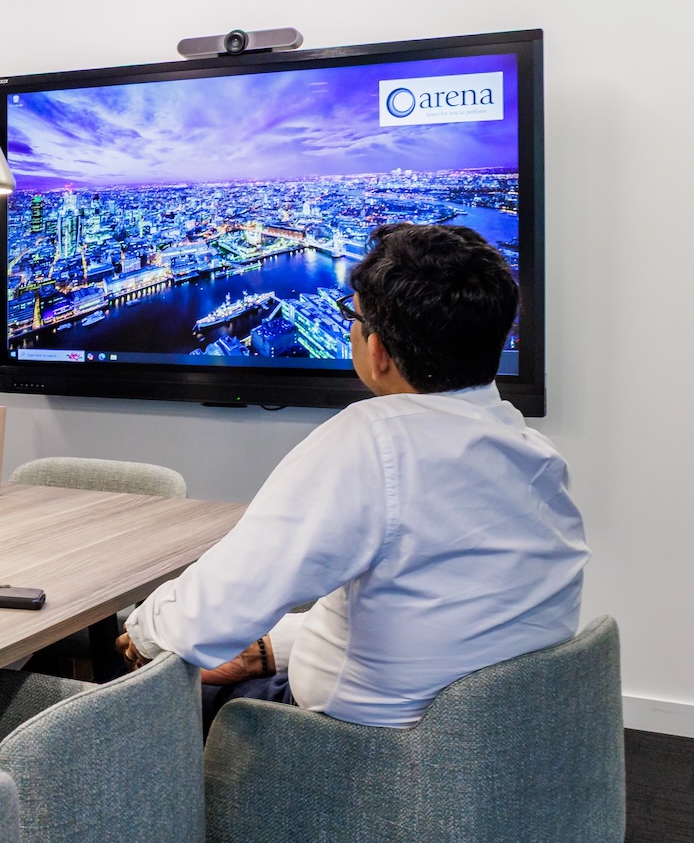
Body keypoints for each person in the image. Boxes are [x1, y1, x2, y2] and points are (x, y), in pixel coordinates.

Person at [119, 223, 587, 729]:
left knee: (136, 710)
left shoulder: (373, 441)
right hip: (495, 743)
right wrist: (267, 649)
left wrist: (141, 627)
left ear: (378, 351)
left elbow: (205, 616)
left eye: (353, 316)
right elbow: (438, 619)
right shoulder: (535, 457)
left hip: (360, 754)